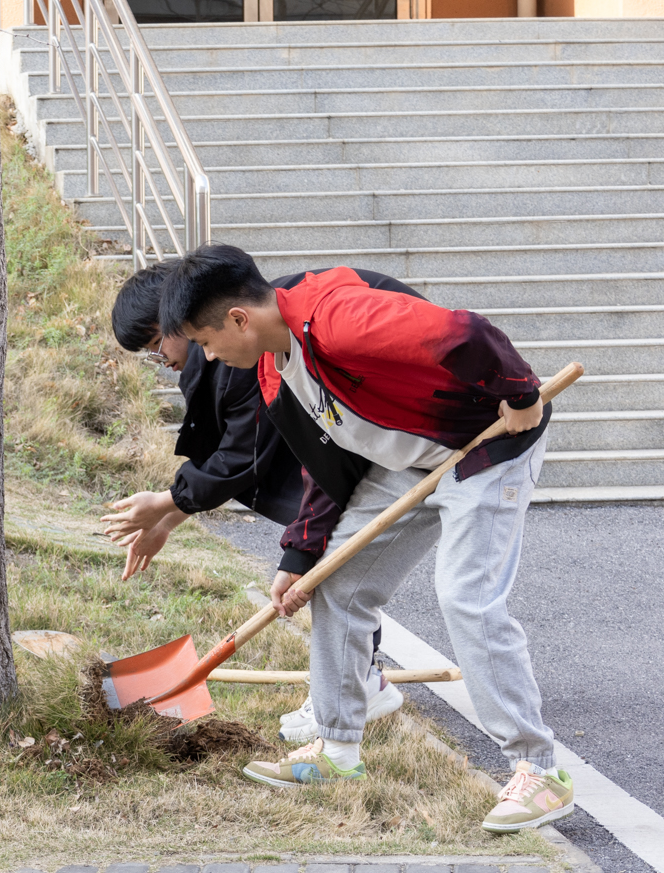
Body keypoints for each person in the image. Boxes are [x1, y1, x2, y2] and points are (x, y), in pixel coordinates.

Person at [159, 243, 570, 834]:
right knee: (336, 583)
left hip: (487, 447)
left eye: (204, 342)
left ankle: (539, 771)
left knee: (466, 596)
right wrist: (301, 555)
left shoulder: (340, 320)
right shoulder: (277, 370)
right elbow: (330, 467)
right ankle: (337, 749)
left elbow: (468, 334)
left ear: (238, 320)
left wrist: (523, 393)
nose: (210, 356)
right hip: (408, 458)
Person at [102, 261, 416, 741]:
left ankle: (357, 689)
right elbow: (233, 447)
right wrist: (171, 515)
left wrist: (172, 502)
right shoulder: (221, 356)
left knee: (338, 573)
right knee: (327, 567)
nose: (161, 360)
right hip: (356, 439)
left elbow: (244, 454)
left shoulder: (253, 348)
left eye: (155, 346)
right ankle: (353, 685)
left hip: (398, 423)